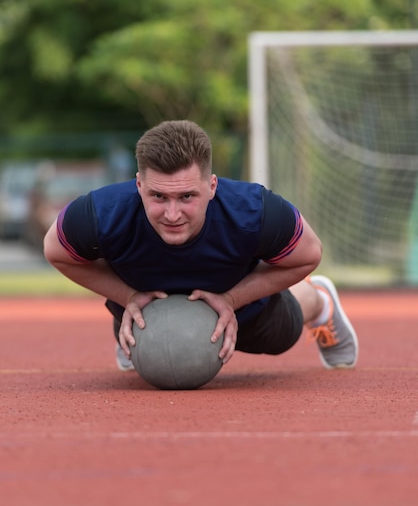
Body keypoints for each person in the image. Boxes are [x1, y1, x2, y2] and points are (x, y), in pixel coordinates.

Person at [44, 120, 358, 372]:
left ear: (211, 186)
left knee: (279, 336)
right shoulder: (100, 213)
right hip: (145, 305)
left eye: (186, 197)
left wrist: (233, 298)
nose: (172, 214)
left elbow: (309, 254)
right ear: (139, 184)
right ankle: (142, 330)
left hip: (243, 307)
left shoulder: (254, 211)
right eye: (158, 197)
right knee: (135, 339)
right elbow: (56, 252)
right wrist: (128, 297)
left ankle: (320, 302)